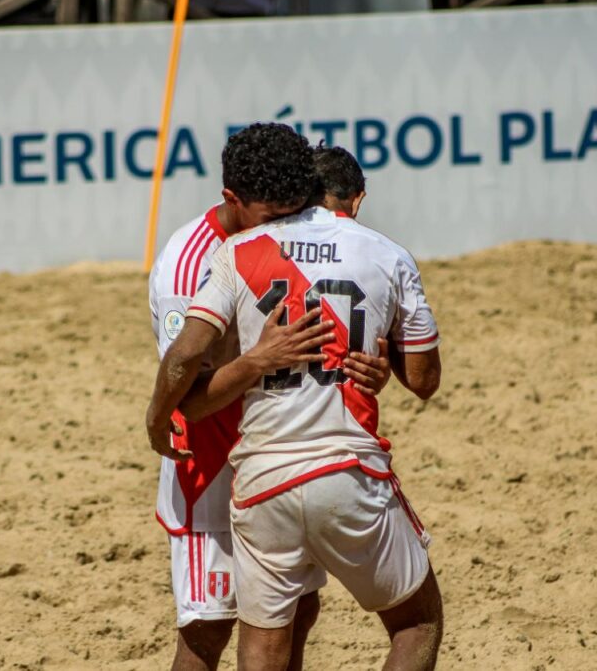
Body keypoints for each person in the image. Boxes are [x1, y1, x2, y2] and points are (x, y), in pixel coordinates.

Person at [146, 144, 444, 671]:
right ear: (357, 200)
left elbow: (187, 367)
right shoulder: (383, 253)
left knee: (287, 621)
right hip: (243, 462)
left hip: (260, 471)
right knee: (210, 626)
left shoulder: (244, 250)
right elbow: (423, 379)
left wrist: (370, 370)